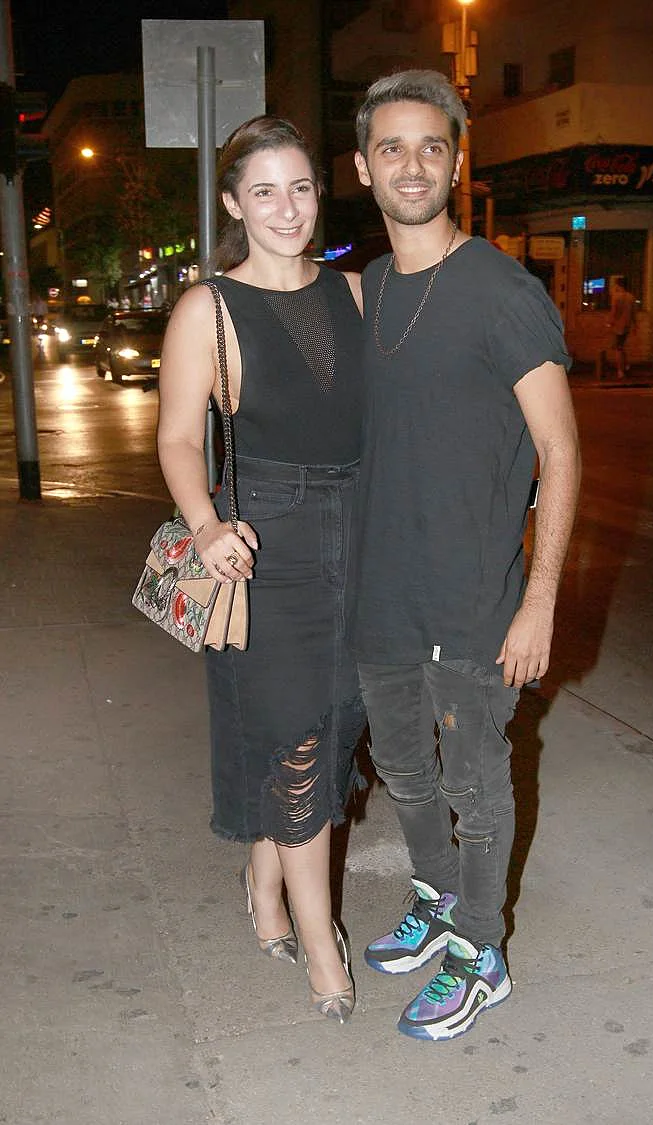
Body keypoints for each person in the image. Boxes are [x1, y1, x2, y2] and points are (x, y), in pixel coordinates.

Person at [349, 70, 581, 1042]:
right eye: (392, 148)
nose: (412, 165)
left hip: (475, 600)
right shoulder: (367, 290)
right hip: (381, 597)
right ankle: (439, 898)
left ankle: (483, 953)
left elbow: (561, 451)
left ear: (455, 164)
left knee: (476, 784)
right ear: (363, 167)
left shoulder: (501, 292)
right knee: (404, 770)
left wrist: (541, 600)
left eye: (431, 147)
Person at [157, 116, 366, 1024]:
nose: (288, 208)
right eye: (266, 191)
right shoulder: (207, 309)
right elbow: (176, 437)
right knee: (297, 740)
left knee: (340, 724)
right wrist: (206, 526)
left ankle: (264, 875)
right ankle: (322, 946)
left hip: (362, 531)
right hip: (265, 543)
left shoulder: (356, 292)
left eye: (302, 188)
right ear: (235, 203)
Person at [607, 276, 637, 379]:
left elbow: (614, 312)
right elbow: (633, 313)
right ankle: (626, 365)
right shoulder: (631, 297)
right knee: (621, 346)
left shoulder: (615, 297)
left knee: (618, 349)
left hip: (617, 326)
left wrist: (609, 323)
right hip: (627, 325)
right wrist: (635, 326)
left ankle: (620, 371)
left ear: (618, 285)